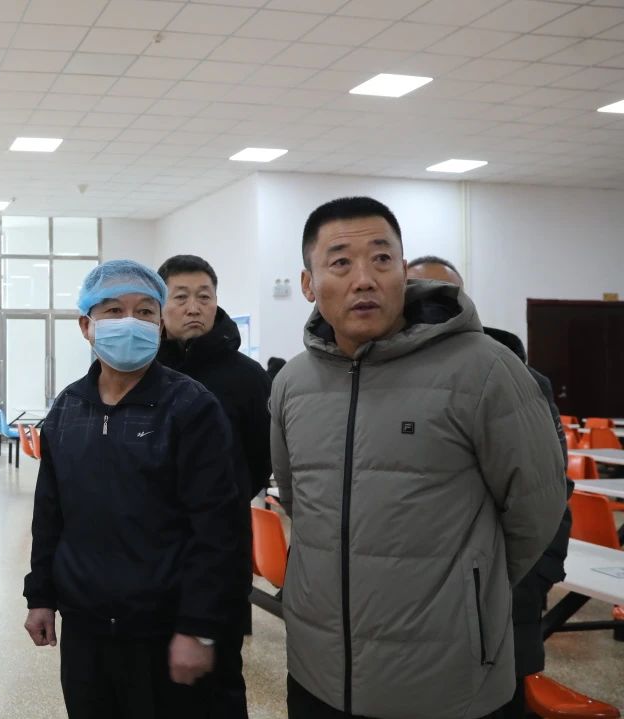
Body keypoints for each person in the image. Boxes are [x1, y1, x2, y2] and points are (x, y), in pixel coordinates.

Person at [271, 196, 567, 719]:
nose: (365, 279)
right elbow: (299, 501)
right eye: (341, 263)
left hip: (443, 678)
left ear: (403, 271)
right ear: (308, 284)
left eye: (382, 259)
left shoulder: (486, 371)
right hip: (318, 670)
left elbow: (536, 511)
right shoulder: (293, 383)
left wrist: (468, 593)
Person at [23, 259, 249, 719]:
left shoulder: (190, 407)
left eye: (145, 311)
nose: (130, 322)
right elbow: (50, 514)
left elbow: (219, 529)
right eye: (113, 311)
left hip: (166, 629)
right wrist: (40, 596)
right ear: (86, 326)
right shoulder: (68, 408)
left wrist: (198, 627)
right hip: (86, 630)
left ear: (160, 325)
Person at [407, 255, 574, 719]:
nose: (429, 306)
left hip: (503, 604)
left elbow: (547, 497)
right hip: (411, 615)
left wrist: (523, 581)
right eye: (414, 293)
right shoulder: (380, 379)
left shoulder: (517, 380)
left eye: (443, 295)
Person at [154, 253, 266, 713]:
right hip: (149, 559)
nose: (194, 307)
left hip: (219, 553)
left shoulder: (247, 378)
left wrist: (216, 502)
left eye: (204, 297)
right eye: (180, 297)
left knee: (216, 689)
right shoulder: (141, 373)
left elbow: (259, 460)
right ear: (161, 306)